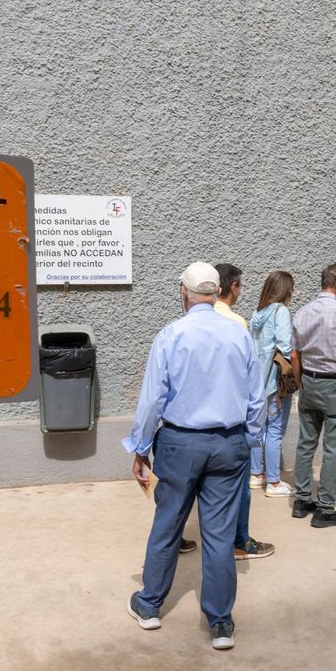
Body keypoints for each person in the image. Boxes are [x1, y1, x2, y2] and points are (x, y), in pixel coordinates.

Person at [124, 262, 265, 650]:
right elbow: (257, 398)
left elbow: (153, 398)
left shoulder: (172, 334)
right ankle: (220, 623)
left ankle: (150, 605)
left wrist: (139, 448)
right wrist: (248, 440)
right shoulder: (239, 335)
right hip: (229, 442)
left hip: (180, 442)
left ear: (183, 292)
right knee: (219, 535)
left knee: (168, 522)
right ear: (218, 292)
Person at [291, 264, 336, 528]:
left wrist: (300, 381)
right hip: (335, 384)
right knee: (333, 448)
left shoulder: (302, 312)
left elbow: (295, 354)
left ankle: (301, 501)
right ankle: (325, 509)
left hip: (309, 380)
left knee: (306, 442)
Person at [213, 264, 275, 561]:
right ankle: (239, 541)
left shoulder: (192, 319)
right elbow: (248, 379)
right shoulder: (236, 322)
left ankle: (177, 539)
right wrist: (254, 430)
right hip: (230, 419)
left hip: (193, 424)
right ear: (233, 288)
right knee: (239, 488)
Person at [248, 270, 296, 498]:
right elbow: (285, 346)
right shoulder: (281, 311)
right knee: (275, 430)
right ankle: (274, 483)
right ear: (284, 289)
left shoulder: (257, 312)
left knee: (259, 428)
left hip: (256, 380)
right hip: (275, 381)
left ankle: (257, 474)